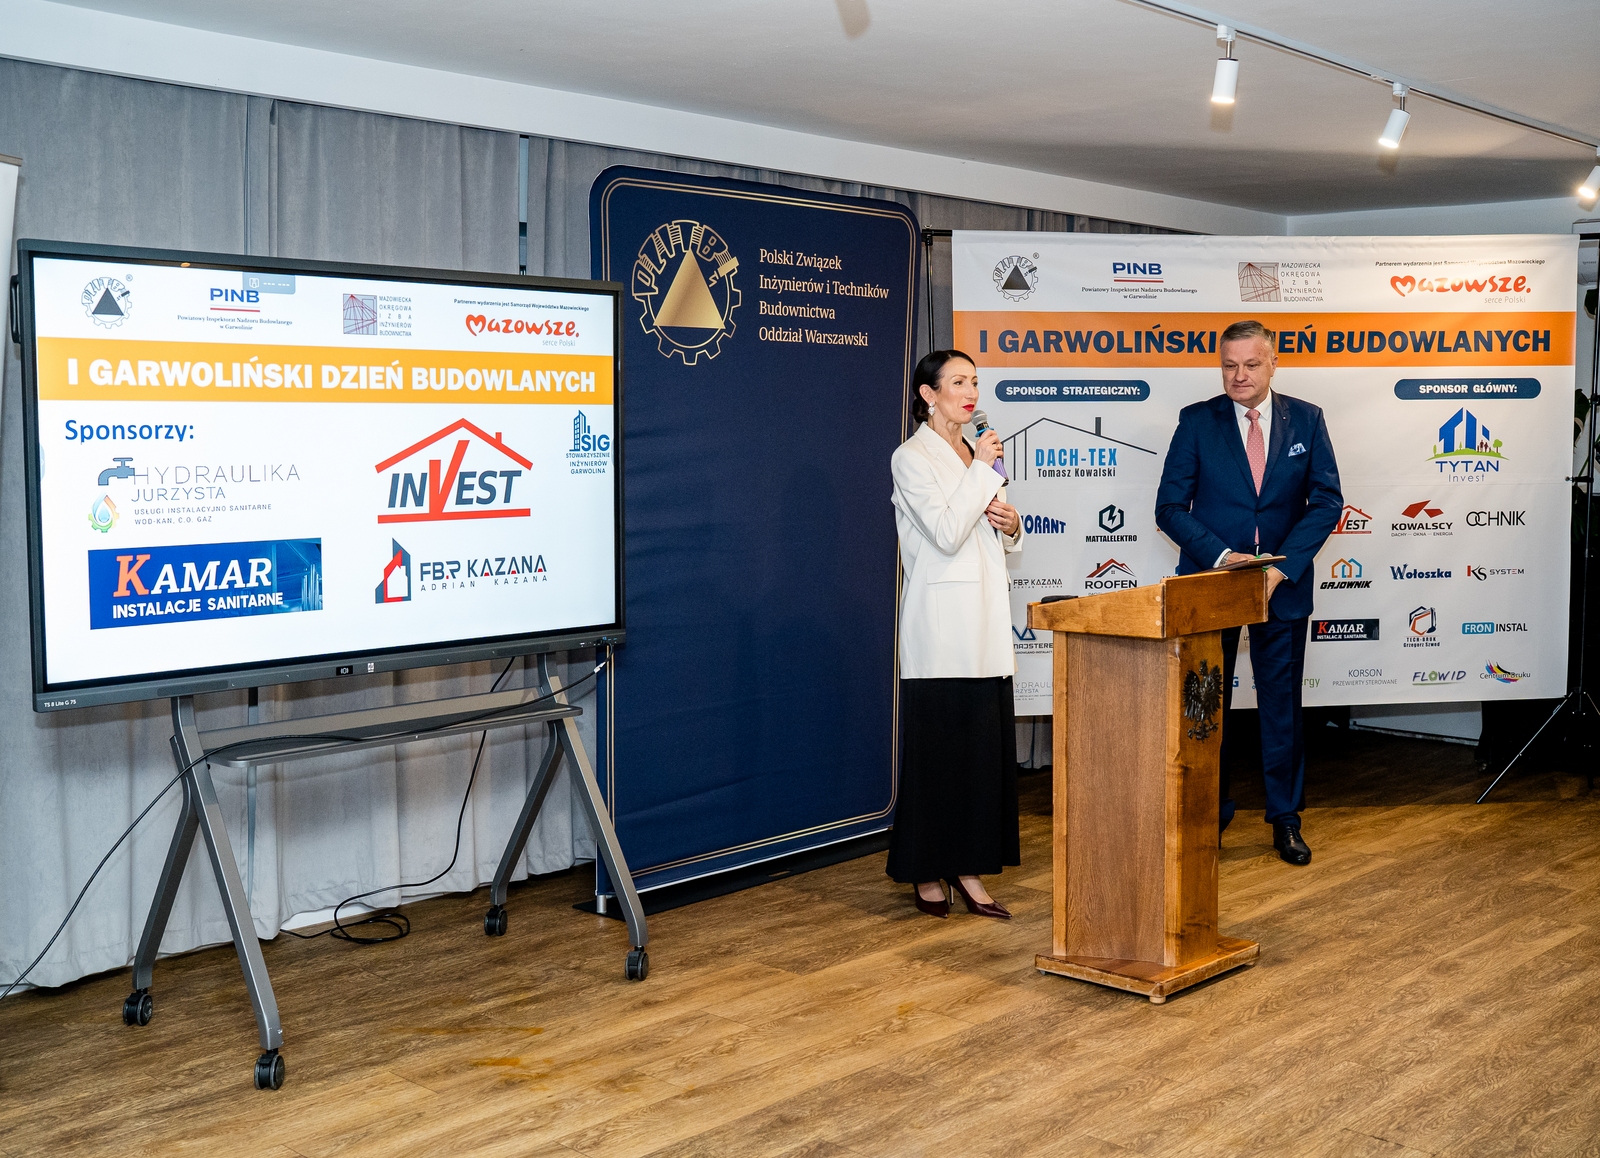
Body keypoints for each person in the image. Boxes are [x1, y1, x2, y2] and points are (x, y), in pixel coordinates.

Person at [1154, 319, 1342, 866]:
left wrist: (1283, 568)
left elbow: (1326, 502)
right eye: (1229, 365)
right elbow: (1169, 507)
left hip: (1281, 587)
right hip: (1213, 585)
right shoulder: (1197, 421)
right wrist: (1221, 557)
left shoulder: (1307, 418)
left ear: (1273, 363)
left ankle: (1286, 818)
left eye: (1251, 364)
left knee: (1282, 708)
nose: (1239, 375)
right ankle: (1208, 815)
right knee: (1205, 708)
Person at [887, 349, 1024, 918]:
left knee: (979, 761)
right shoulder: (910, 457)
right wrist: (983, 471)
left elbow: (988, 533)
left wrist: (1013, 526)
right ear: (929, 394)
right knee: (938, 760)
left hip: (986, 625)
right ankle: (926, 871)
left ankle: (968, 869)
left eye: (975, 382)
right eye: (959, 382)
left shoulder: (975, 451)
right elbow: (945, 533)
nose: (971, 393)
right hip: (942, 633)